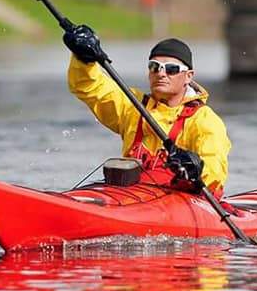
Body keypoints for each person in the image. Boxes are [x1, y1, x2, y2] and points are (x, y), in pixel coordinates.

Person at [64, 24, 231, 197]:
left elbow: (215, 171)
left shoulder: (205, 120)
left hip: (184, 203)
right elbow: (89, 87)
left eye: (171, 69)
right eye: (154, 67)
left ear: (188, 76)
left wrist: (196, 168)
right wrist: (83, 58)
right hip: (133, 198)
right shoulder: (133, 105)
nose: (161, 73)